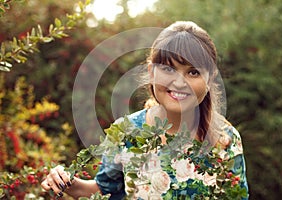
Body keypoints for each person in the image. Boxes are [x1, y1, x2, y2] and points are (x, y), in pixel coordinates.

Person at [41, 21, 249, 199]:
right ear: (151, 72)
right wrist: (67, 182)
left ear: (210, 79)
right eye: (168, 69)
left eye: (193, 72)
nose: (179, 82)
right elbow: (104, 190)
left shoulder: (226, 139)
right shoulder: (127, 131)